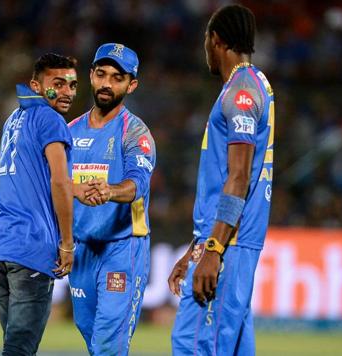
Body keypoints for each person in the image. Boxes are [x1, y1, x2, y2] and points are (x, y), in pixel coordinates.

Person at [168, 5, 275, 356]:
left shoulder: (240, 92)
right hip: (229, 240)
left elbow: (239, 176)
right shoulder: (255, 84)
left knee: (193, 345)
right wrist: (198, 246)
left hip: (228, 245)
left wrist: (213, 249)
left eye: (205, 40)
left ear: (216, 40)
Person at [0, 53, 78, 356]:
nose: (66, 92)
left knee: (15, 347)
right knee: (20, 350)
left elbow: (32, 179)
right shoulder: (51, 119)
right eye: (58, 83)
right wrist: (67, 244)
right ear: (36, 85)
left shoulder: (14, 119)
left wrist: (80, 188)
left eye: (72, 85)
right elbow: (59, 182)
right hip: (30, 249)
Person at [67, 43, 156, 356]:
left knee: (108, 344)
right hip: (81, 250)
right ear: (90, 76)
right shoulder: (69, 132)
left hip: (122, 248)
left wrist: (110, 191)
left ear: (131, 85)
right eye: (101, 74)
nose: (106, 83)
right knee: (92, 339)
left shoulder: (135, 133)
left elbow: (138, 185)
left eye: (117, 77)